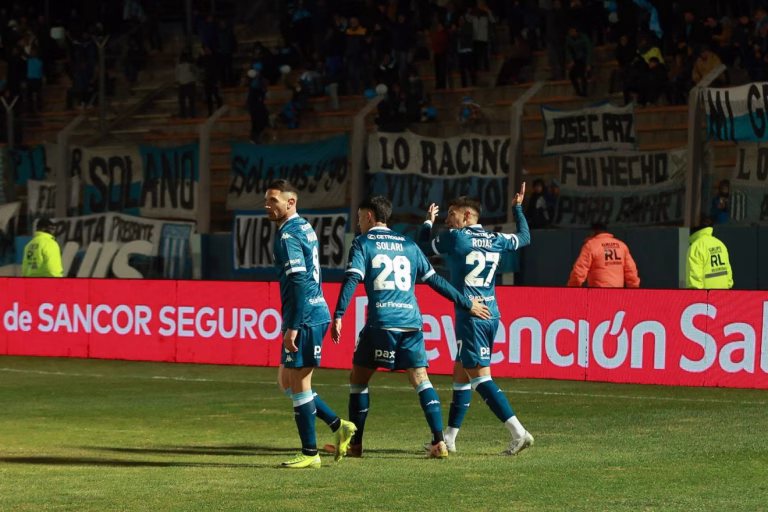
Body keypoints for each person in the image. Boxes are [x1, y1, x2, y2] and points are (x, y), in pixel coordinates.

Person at [331, 196, 492, 459]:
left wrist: (339, 314)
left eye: (360, 217)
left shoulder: (362, 242)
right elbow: (436, 281)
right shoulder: (408, 244)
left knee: (358, 380)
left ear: (370, 217)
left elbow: (352, 278)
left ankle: (356, 445)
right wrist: (467, 304)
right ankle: (439, 443)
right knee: (421, 380)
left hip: (380, 323)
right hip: (411, 324)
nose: (359, 223)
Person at [416, 186, 534, 456]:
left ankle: (519, 432)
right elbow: (525, 237)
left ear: (467, 214)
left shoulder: (455, 238)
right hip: (492, 314)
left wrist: (427, 222)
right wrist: (517, 208)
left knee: (481, 378)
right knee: (461, 374)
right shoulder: (496, 238)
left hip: (471, 316)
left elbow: (422, 246)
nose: (447, 220)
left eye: (451, 214)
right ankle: (450, 436)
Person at [264, 180, 357, 469]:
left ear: (291, 202)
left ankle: (309, 453)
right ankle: (339, 425)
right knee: (286, 382)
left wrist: (293, 325)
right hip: (304, 314)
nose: (268, 206)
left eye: (273, 201)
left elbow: (300, 280)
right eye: (266, 200)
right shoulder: (302, 226)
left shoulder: (288, 236)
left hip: (304, 317)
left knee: (301, 384)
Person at [567, 223, 640, 288]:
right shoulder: (621, 246)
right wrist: (634, 289)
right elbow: (631, 271)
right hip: (618, 294)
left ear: (593, 232)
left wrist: (572, 290)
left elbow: (579, 271)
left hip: (598, 294)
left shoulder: (591, 245)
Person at [686, 223, 733, 290]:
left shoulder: (696, 247)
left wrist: (697, 296)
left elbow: (694, 280)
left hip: (706, 296)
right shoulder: (720, 243)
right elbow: (728, 272)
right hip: (723, 294)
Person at [565, 25, 592, 97]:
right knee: (572, 75)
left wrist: (588, 63)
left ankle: (584, 92)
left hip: (583, 59)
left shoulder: (583, 37)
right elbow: (568, 50)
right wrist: (571, 60)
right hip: (575, 60)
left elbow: (589, 50)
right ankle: (578, 91)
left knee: (582, 74)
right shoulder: (568, 39)